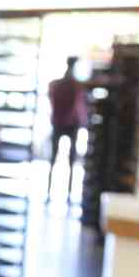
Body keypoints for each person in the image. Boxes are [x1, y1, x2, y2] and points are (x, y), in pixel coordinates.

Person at [46, 56, 89, 204]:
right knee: (68, 161)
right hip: (69, 124)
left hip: (60, 123)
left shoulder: (57, 85)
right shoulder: (75, 86)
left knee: (54, 160)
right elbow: (79, 106)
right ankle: (67, 194)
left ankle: (52, 192)